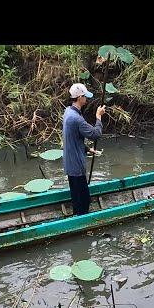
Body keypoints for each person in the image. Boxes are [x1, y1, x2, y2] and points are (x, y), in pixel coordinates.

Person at [62, 83, 106, 215]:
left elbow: (73, 137)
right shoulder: (76, 118)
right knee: (84, 200)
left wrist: (86, 149)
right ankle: (80, 218)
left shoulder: (68, 111)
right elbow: (95, 135)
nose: (87, 99)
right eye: (85, 96)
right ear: (80, 97)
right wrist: (98, 117)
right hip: (76, 165)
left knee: (77, 196)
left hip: (70, 162)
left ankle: (77, 214)